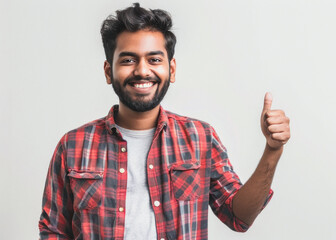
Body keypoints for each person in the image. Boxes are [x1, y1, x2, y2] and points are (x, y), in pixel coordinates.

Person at [38, 3, 290, 240]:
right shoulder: (73, 146)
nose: (142, 70)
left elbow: (239, 217)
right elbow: (54, 232)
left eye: (154, 59)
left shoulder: (201, 138)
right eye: (128, 60)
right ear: (108, 71)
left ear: (172, 69)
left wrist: (272, 150)